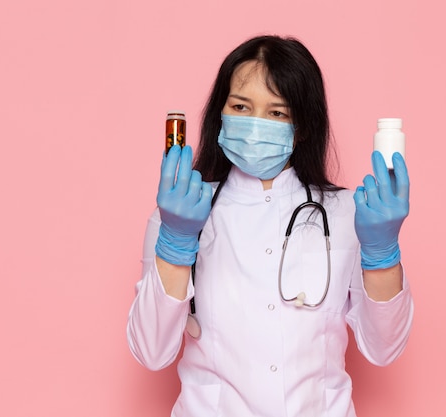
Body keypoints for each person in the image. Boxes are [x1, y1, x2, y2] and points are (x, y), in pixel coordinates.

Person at [127, 34, 413, 416]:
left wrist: (382, 253)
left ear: (303, 127)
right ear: (220, 115)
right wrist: (175, 242)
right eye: (241, 106)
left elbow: (383, 349)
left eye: (277, 112)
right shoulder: (182, 211)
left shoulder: (349, 214)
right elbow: (151, 351)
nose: (256, 124)